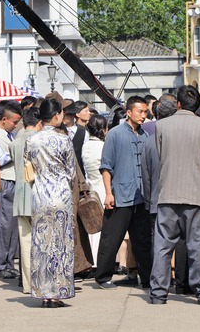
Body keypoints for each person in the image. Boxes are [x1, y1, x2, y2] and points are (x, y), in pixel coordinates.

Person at [149, 85, 200, 305]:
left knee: (162, 246)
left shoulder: (162, 125)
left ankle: (158, 292)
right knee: (197, 244)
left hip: (168, 191)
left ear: (178, 103)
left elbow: (161, 154)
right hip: (195, 192)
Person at [94, 96, 153, 290]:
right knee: (111, 238)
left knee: (143, 240)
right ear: (129, 112)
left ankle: (147, 278)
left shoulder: (145, 136)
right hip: (120, 195)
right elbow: (106, 166)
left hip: (141, 197)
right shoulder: (115, 134)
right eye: (140, 111)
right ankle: (103, 277)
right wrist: (108, 193)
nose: (143, 116)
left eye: (145, 112)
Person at [25, 98, 78, 307]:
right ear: (56, 116)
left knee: (42, 245)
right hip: (60, 195)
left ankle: (43, 293)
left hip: (40, 195)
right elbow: (71, 171)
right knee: (61, 245)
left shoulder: (32, 139)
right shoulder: (64, 139)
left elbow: (28, 167)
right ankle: (57, 292)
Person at [0, 100, 22, 280]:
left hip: (14, 181)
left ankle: (8, 263)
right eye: (14, 122)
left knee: (12, 226)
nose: (16, 125)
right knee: (1, 225)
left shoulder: (13, 135)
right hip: (3, 182)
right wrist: (17, 151)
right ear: (3, 119)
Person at [12, 106, 42, 293]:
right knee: (41, 242)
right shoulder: (39, 140)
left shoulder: (16, 141)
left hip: (20, 196)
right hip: (38, 195)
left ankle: (28, 283)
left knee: (25, 243)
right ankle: (40, 281)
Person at [81, 113, 108, 258]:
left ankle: (93, 258)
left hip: (91, 187)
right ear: (103, 129)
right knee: (103, 226)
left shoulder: (85, 146)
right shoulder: (104, 146)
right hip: (104, 188)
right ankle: (101, 258)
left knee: (92, 225)